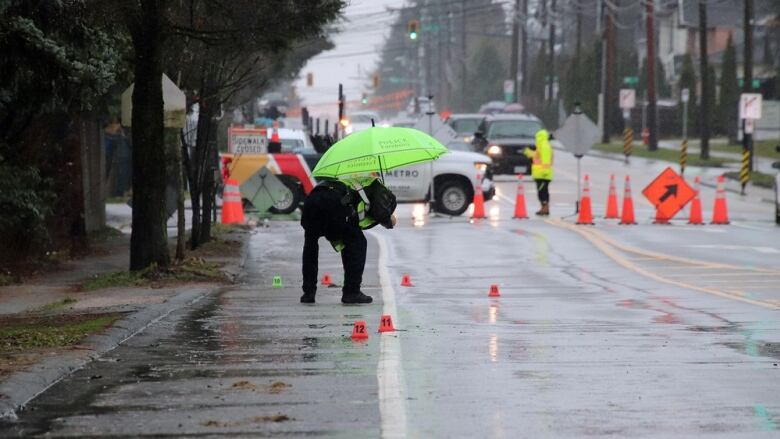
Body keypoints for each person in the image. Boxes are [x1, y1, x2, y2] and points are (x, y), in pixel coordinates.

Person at [300, 176, 397, 304]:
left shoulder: (349, 180)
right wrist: (389, 219)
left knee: (310, 247)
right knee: (358, 243)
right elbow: (381, 212)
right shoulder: (376, 185)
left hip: (312, 202)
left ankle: (308, 293)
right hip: (334, 203)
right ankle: (352, 292)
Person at [524, 129, 554, 216]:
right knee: (541, 191)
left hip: (543, 175)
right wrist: (528, 152)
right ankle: (543, 208)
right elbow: (537, 156)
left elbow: (545, 159)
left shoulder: (544, 145)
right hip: (540, 174)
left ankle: (545, 208)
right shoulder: (541, 145)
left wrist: (544, 171)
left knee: (542, 192)